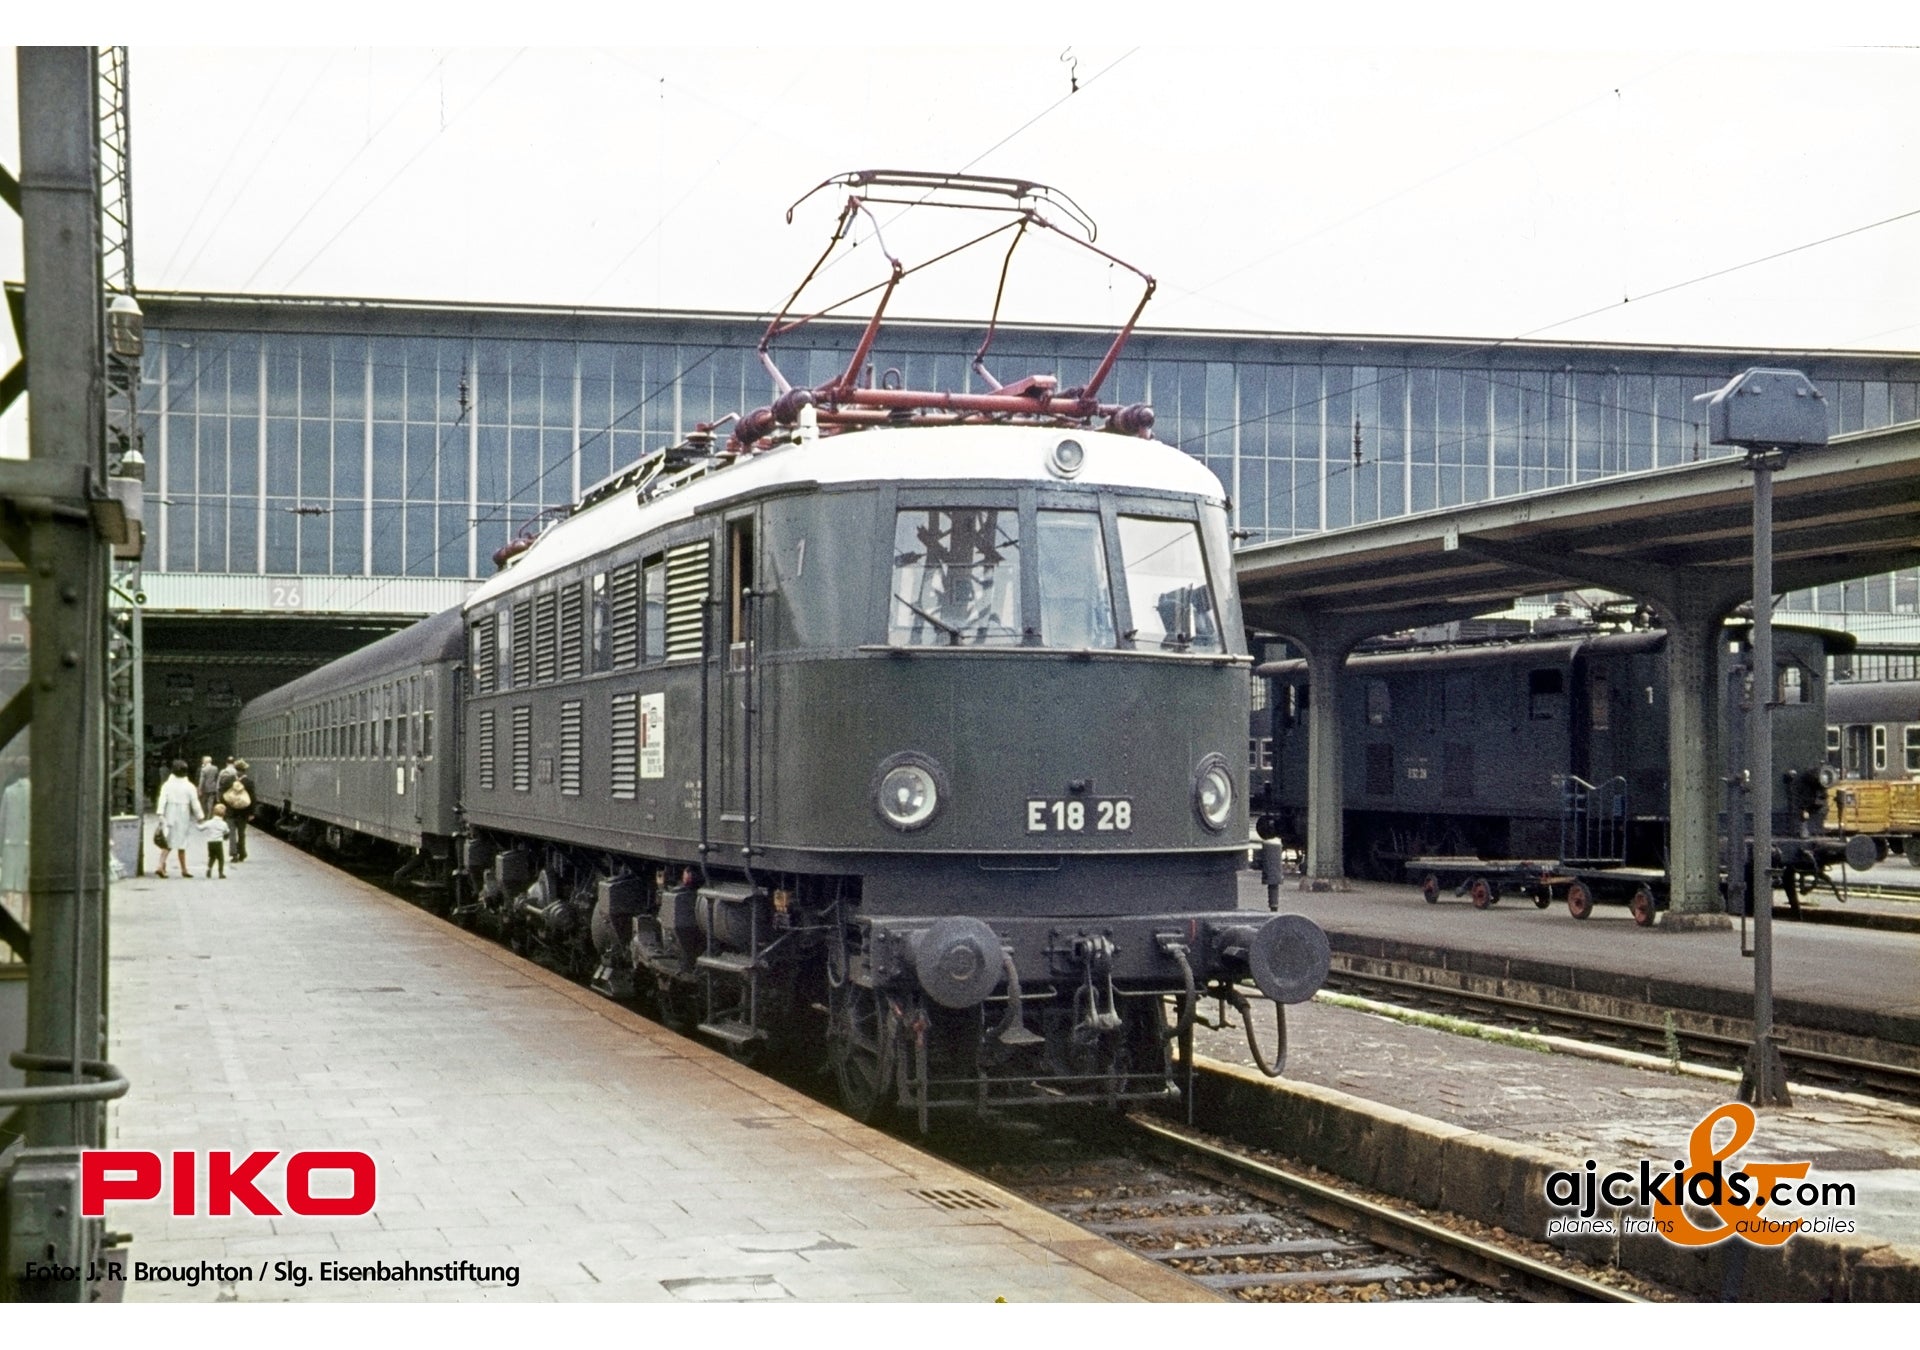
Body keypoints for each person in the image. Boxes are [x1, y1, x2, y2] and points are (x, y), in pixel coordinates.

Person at [155, 759, 203, 879]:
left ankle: (160, 865)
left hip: (169, 812)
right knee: (182, 842)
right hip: (183, 813)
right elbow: (195, 802)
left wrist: (160, 813)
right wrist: (200, 816)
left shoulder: (167, 785)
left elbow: (162, 799)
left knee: (168, 840)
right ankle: (184, 869)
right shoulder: (189, 786)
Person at [224, 759, 255, 863]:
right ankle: (242, 853)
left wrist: (224, 809)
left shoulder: (229, 780)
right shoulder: (249, 782)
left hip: (230, 812)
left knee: (232, 833)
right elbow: (253, 799)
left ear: (235, 769)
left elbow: (223, 795)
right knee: (241, 834)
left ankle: (234, 855)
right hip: (243, 812)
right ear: (245, 770)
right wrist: (251, 813)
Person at [200, 803, 230, 879]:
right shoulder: (224, 823)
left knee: (212, 857)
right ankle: (220, 873)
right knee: (221, 858)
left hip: (210, 843)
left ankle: (209, 869)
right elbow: (227, 832)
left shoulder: (209, 822)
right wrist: (226, 836)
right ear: (224, 814)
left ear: (213, 812)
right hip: (218, 843)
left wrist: (198, 823)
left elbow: (201, 828)